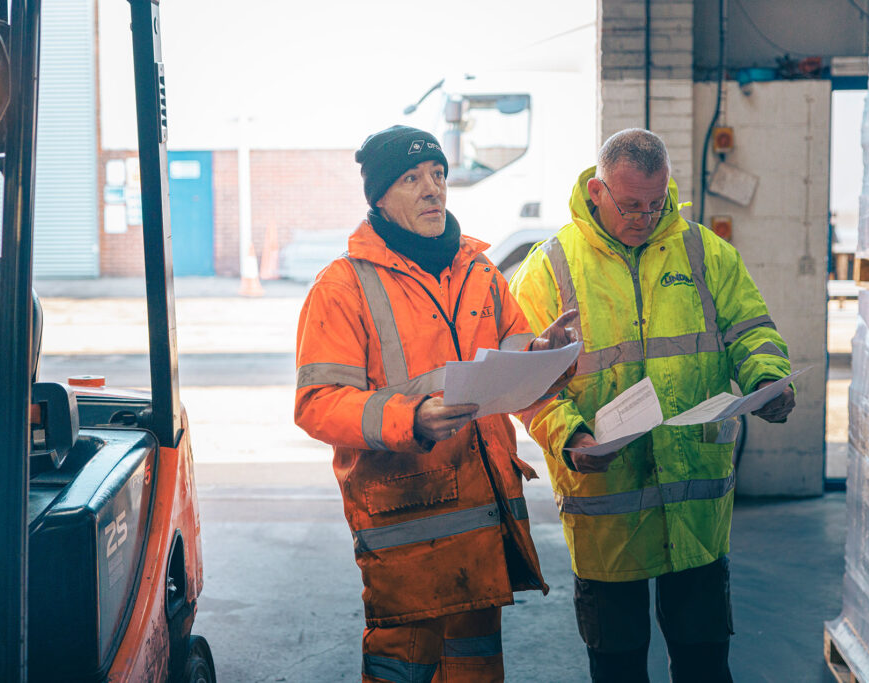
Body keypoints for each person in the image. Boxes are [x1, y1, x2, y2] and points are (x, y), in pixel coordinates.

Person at [508, 128, 795, 683]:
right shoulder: (549, 268)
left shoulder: (704, 251)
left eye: (655, 203)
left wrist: (769, 378)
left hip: (695, 507)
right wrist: (570, 437)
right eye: (630, 205)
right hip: (607, 510)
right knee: (616, 667)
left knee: (705, 662)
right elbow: (531, 383)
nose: (644, 217)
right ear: (597, 191)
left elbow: (753, 330)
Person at [294, 125, 577, 682]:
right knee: (404, 665)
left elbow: (513, 353)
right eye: (411, 178)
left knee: (475, 665)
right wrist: (411, 419)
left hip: (480, 524)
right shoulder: (342, 286)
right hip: (406, 527)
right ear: (379, 197)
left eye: (438, 174)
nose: (433, 189)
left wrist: (546, 352)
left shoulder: (481, 272)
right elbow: (317, 403)